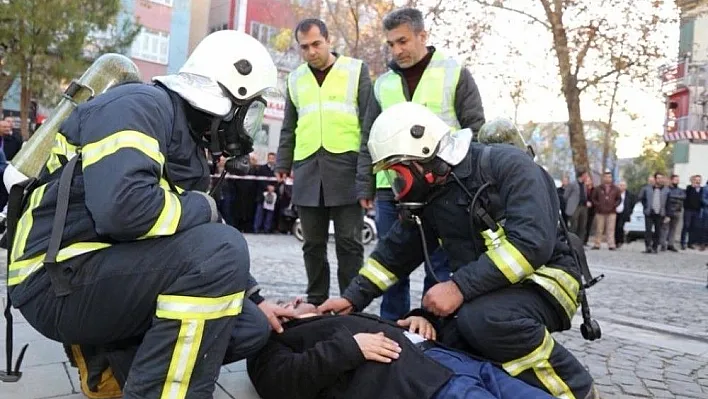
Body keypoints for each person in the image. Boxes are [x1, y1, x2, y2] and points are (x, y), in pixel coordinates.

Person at [6, 30, 295, 399]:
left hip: (103, 271)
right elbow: (124, 212)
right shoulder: (138, 106)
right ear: (228, 97)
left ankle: (111, 363)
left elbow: (197, 242)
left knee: (250, 327)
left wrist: (255, 298)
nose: (248, 128)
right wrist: (204, 206)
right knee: (223, 248)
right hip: (53, 279)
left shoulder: (188, 146)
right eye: (250, 111)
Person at [320, 102, 598, 399]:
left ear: (424, 153)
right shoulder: (431, 195)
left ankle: (577, 389)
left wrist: (458, 287)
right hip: (492, 288)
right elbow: (394, 255)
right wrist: (351, 298)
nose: (398, 185)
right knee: (444, 337)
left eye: (398, 172)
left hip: (550, 278)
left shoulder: (510, 166)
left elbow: (531, 245)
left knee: (484, 320)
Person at [356, 7, 486, 321]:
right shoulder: (382, 84)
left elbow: (475, 130)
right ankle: (393, 327)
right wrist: (365, 182)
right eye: (391, 44)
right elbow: (368, 136)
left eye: (403, 41)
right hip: (393, 189)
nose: (396, 50)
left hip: (442, 188)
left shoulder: (454, 73)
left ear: (422, 36)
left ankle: (435, 329)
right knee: (392, 264)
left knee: (439, 267)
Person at [245, 299, 555, 399]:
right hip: (429, 387)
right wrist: (349, 348)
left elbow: (392, 328)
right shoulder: (271, 344)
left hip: (457, 364)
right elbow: (280, 383)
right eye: (287, 303)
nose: (297, 300)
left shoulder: (332, 319)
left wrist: (419, 320)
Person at [275, 18, 372, 305]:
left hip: (346, 168)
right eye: (304, 47)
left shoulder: (356, 70)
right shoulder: (294, 79)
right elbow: (288, 125)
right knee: (312, 244)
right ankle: (316, 300)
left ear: (329, 40)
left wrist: (367, 178)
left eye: (316, 44)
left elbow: (369, 125)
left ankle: (350, 302)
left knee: (349, 243)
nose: (311, 52)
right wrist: (283, 163)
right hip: (307, 169)